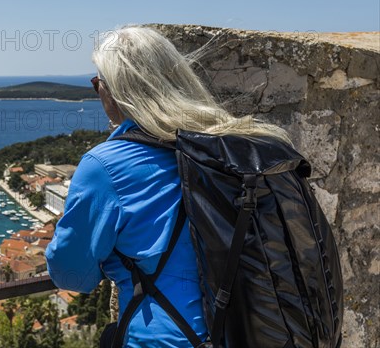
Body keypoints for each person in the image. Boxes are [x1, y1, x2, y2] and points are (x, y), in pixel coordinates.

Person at [45, 26, 292, 347]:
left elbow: (70, 273)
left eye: (97, 84)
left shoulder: (104, 166)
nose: (98, 92)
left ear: (117, 91)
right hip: (251, 331)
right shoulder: (238, 144)